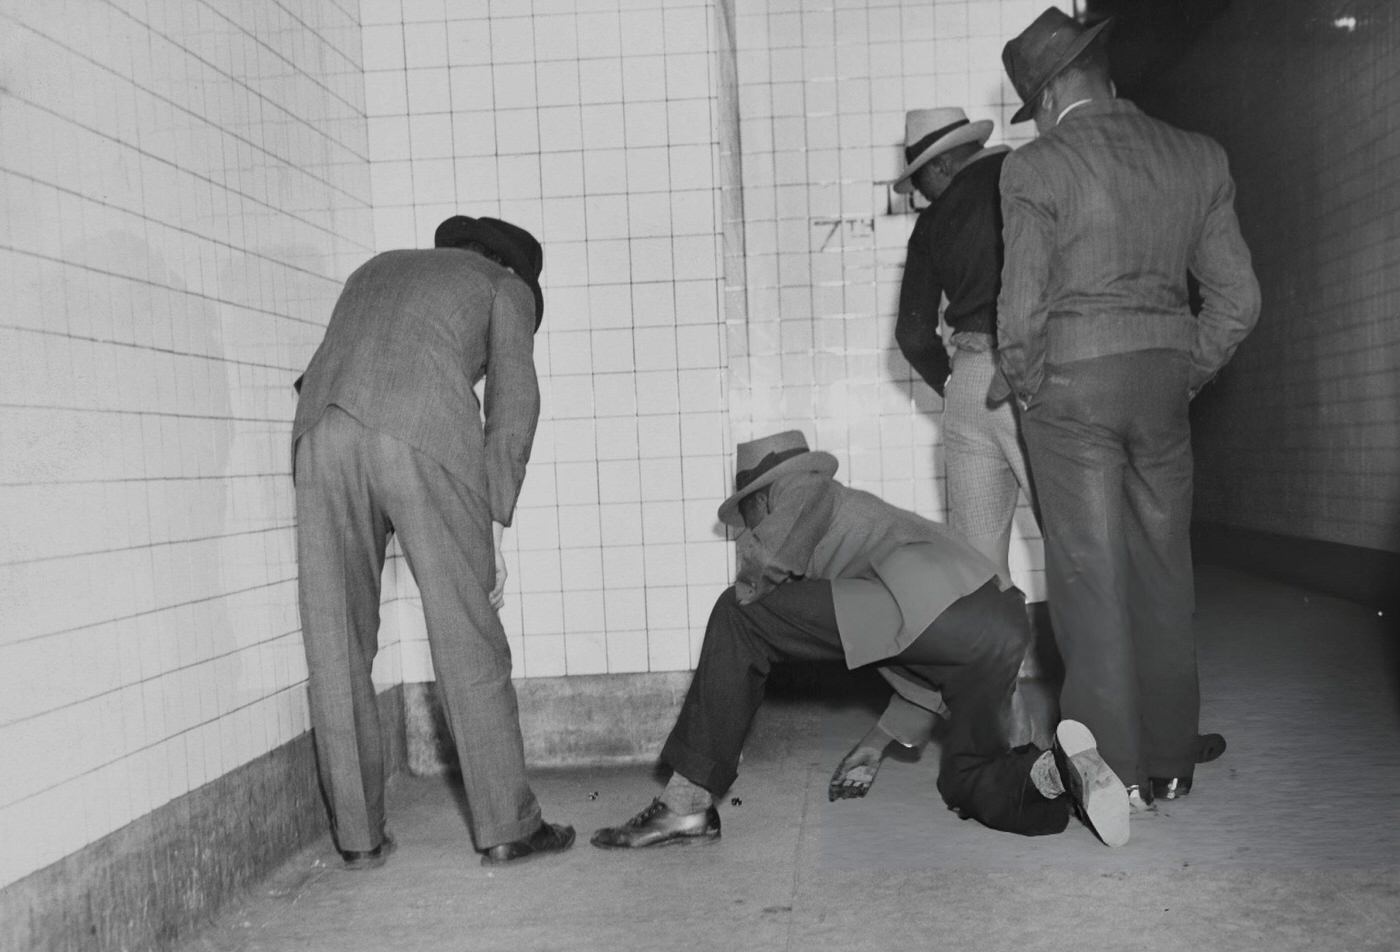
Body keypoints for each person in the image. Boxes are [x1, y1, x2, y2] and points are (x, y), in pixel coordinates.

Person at [591, 431, 1129, 850]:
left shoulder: (802, 488)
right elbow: (926, 663)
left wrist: (752, 577)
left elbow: (771, 564)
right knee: (966, 780)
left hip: (938, 609)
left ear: (764, 495)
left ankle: (686, 801)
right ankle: (1053, 771)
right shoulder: (866, 538)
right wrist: (875, 744)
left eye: (749, 511)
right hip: (997, 618)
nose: (748, 526)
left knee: (738, 615)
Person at [995, 9, 1260, 808]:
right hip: (1161, 387)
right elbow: (1239, 301)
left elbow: (1018, 318)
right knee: (1162, 570)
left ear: (1043, 99)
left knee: (1087, 581)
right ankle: (1173, 762)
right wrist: (1185, 370)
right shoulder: (1198, 157)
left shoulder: (1036, 167)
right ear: (1102, 73)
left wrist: (1032, 384)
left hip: (1069, 390)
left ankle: (1111, 776)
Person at [292, 215, 574, 868]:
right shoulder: (507, 289)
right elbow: (513, 406)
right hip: (421, 432)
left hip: (320, 436)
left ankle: (358, 840)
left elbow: (331, 368)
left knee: (335, 642)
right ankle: (509, 825)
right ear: (512, 266)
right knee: (465, 630)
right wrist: (494, 522)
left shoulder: (376, 268)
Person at [826, 107, 1041, 802]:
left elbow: (914, 335)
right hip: (1035, 376)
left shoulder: (935, 223)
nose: (919, 194)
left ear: (945, 165)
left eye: (921, 179)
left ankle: (999, 743)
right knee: (1078, 548)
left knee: (982, 576)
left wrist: (958, 388)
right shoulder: (1026, 178)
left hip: (971, 383)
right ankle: (1100, 732)